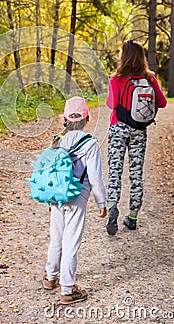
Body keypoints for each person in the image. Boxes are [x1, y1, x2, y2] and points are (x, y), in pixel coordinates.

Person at [42, 96, 107, 304]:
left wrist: (49, 201)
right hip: (78, 197)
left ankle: (50, 278)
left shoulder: (57, 141)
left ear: (65, 118)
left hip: (57, 196)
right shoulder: (90, 144)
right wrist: (101, 202)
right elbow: (95, 176)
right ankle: (68, 290)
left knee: (56, 238)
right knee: (71, 241)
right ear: (87, 118)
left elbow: (49, 174)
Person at [106, 40, 167, 235]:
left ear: (124, 56)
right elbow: (163, 103)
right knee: (136, 173)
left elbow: (111, 104)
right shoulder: (149, 78)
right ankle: (132, 216)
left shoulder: (117, 78)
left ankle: (113, 207)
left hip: (117, 127)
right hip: (139, 130)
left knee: (115, 170)